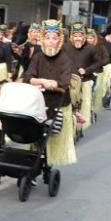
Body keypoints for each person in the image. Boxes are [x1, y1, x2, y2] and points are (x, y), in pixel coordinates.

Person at [25, 20, 77, 168]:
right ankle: (32, 162)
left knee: (51, 137)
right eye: (48, 37)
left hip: (57, 103)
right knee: (34, 134)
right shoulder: (38, 57)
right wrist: (42, 81)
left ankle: (48, 164)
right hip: (38, 103)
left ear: (59, 40)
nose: (50, 41)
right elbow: (28, 77)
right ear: (43, 39)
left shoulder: (65, 59)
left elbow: (65, 82)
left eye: (54, 38)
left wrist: (54, 84)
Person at [66, 23, 101, 132]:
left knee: (81, 106)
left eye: (80, 36)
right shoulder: (64, 47)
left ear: (84, 36)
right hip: (68, 82)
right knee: (69, 106)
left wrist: (87, 70)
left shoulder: (90, 48)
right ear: (71, 36)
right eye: (75, 36)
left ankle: (78, 129)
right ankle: (69, 128)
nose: (78, 38)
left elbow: (98, 62)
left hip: (84, 81)